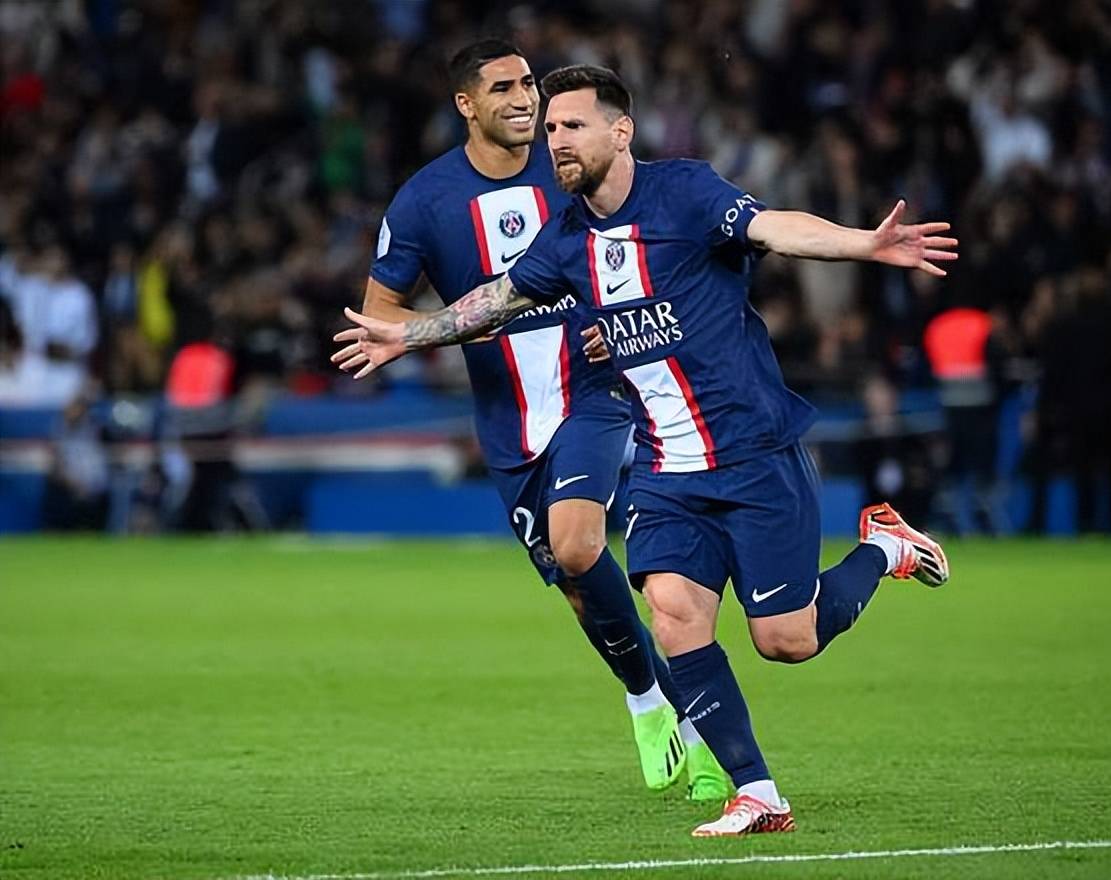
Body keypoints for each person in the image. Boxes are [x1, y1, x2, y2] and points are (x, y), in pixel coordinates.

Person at [332, 64, 957, 836]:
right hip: (666, 467)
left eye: (572, 126)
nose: (555, 140)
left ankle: (886, 549)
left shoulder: (684, 193)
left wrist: (863, 243)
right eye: (551, 129)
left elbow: (775, 228)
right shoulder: (566, 240)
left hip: (753, 451)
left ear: (620, 130)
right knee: (674, 615)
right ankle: (757, 791)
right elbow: (494, 301)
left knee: (785, 640)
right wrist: (409, 334)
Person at [351, 42, 725, 801]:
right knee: (575, 579)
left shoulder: (572, 168)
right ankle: (648, 697)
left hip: (593, 387)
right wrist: (443, 330)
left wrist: (626, 318)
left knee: (579, 540)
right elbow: (381, 311)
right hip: (508, 419)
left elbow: (637, 249)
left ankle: (703, 723)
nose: (526, 99)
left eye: (529, 84)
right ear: (467, 105)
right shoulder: (425, 201)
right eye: (504, 88)